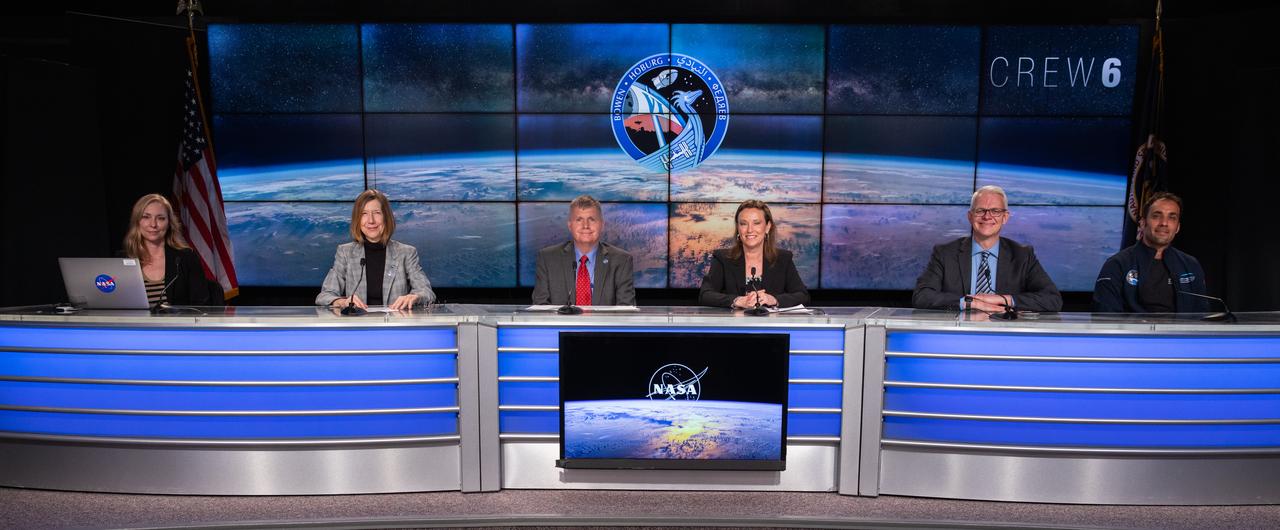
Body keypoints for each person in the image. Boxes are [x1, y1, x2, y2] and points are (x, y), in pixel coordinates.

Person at [912, 185, 1062, 312]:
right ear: (970, 217)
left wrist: (1003, 299)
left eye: (995, 211)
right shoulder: (945, 253)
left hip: (1004, 336)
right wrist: (969, 302)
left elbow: (1052, 299)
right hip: (957, 334)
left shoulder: (1022, 255)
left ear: (1005, 217)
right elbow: (922, 296)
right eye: (980, 210)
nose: (987, 216)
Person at [316, 189, 435, 311]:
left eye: (377, 213)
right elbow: (324, 296)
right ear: (357, 219)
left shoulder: (406, 253)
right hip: (358, 326)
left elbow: (427, 293)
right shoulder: (345, 252)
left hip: (395, 325)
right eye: (364, 214)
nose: (371, 220)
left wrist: (414, 296)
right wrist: (342, 302)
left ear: (386, 217)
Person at [1093, 192, 1209, 313]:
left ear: (1178, 227)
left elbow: (1201, 315)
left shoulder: (1190, 265)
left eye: (1172, 217)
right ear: (1143, 223)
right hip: (1134, 331)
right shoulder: (1117, 264)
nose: (1164, 223)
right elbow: (1106, 316)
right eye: (1156, 216)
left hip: (1179, 332)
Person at [699, 200, 809, 309]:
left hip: (771, 325)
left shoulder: (783, 259)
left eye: (756, 223)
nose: (750, 230)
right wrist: (737, 301)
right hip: (734, 325)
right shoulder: (722, 258)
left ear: (767, 226)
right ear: (738, 228)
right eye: (743, 224)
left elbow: (802, 295)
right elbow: (705, 295)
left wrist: (773, 299)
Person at [532, 195, 636, 306]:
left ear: (602, 224)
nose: (585, 226)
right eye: (579, 220)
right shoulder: (548, 259)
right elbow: (540, 309)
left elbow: (626, 311)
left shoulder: (621, 261)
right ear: (570, 225)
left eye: (592, 219)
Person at [122, 193, 214, 307]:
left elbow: (202, 307)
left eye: (160, 218)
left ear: (169, 223)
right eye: (146, 217)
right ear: (137, 221)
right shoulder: (123, 260)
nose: (153, 224)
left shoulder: (186, 258)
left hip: (179, 324)